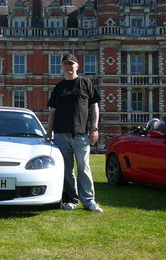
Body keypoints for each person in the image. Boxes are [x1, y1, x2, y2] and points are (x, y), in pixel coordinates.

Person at [44, 54, 103, 212]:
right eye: (65, 64)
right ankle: (72, 199)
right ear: (62, 67)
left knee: (84, 168)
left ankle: (89, 201)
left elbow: (94, 107)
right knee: (67, 170)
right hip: (61, 135)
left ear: (77, 66)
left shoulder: (85, 83)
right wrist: (49, 132)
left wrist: (94, 128)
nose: (68, 67)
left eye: (71, 64)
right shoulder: (59, 87)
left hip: (81, 135)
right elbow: (52, 111)